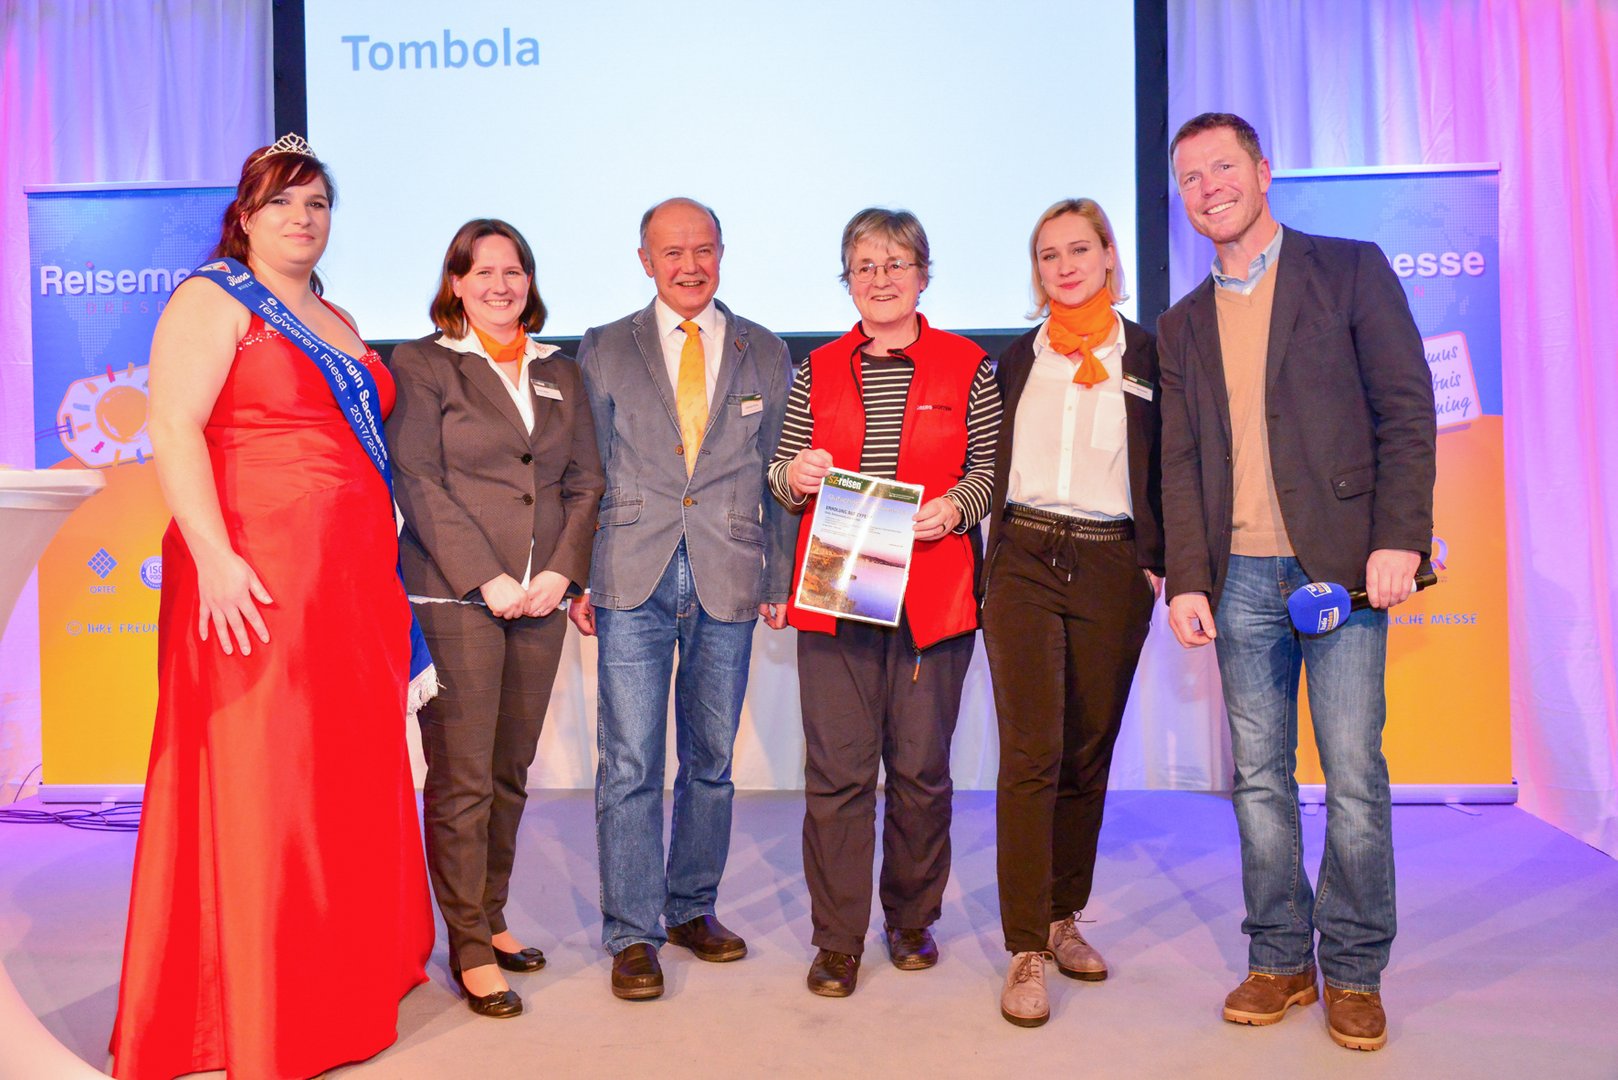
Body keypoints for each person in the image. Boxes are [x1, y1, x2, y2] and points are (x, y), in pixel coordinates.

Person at [109, 137, 434, 1078]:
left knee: (337, 775)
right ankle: (263, 1007)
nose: (303, 217)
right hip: (257, 580)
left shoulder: (335, 314)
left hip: (348, 585)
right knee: (269, 778)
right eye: (284, 202)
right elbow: (173, 425)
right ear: (245, 216)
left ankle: (341, 974)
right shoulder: (213, 299)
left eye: (318, 203)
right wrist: (214, 558)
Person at [1158, 113, 1436, 1052]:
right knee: (1259, 783)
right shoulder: (1182, 324)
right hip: (1237, 578)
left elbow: (1406, 409)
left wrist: (1399, 539)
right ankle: (1279, 957)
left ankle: (1354, 969)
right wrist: (1187, 580)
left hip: (1343, 570)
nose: (1209, 188)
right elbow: (1179, 461)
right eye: (1191, 178)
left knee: (1353, 774)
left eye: (1222, 167)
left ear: (1264, 171)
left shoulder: (1349, 269)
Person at [772, 208, 1002, 998]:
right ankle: (837, 940)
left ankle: (911, 921)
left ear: (923, 275)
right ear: (848, 281)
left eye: (896, 263)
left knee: (920, 770)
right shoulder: (816, 368)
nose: (880, 279)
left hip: (931, 591)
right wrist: (794, 475)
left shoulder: (970, 365)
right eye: (864, 266)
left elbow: (988, 471)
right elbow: (782, 474)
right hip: (839, 588)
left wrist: (957, 508)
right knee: (836, 774)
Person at [570, 197, 794, 1000]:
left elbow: (782, 473)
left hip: (729, 572)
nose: (689, 265)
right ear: (645, 261)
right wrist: (578, 575)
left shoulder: (766, 349)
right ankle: (633, 932)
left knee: (711, 761)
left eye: (703, 249)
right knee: (630, 760)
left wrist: (780, 577)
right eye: (672, 252)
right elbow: (586, 473)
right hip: (631, 571)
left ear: (722, 253)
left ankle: (692, 907)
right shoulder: (603, 347)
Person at [385, 219, 604, 1018]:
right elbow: (418, 478)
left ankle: (492, 914)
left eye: (513, 271)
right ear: (456, 283)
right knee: (464, 778)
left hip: (541, 598)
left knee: (511, 768)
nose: (500, 285)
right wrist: (488, 577)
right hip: (456, 597)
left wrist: (559, 573)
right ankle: (469, 947)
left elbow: (585, 482)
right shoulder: (423, 363)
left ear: (530, 281)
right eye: (482, 272)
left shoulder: (560, 370)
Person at [981, 198, 1163, 1027]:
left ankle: (1063, 917)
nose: (1064, 266)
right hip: (1024, 555)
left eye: (1079, 249)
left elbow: (1175, 464)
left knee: (1087, 751)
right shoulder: (1015, 360)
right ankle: (1025, 946)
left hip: (1111, 563)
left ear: (1110, 256)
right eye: (1049, 254)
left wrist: (1168, 561)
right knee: (1032, 752)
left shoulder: (1150, 356)